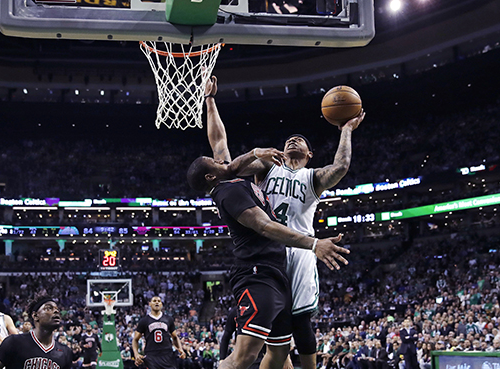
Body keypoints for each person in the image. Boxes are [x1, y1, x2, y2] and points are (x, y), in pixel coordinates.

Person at [204, 75, 364, 369]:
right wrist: (210, 101)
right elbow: (223, 157)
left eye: (300, 140)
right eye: (289, 139)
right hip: (268, 255)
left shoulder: (313, 177)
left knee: (294, 331)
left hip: (301, 253)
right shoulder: (266, 168)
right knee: (269, 344)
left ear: (310, 154)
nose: (293, 139)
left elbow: (341, 166)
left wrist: (346, 130)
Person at [186, 155, 349, 369]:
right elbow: (263, 226)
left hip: (275, 273)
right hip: (257, 274)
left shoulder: (231, 182)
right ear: (210, 176)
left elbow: (219, 139)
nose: (221, 160)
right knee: (244, 356)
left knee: (279, 354)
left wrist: (215, 120)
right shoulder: (229, 192)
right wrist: (314, 244)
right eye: (216, 163)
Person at [0, 296, 74, 369]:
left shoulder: (65, 352)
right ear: (35, 316)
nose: (56, 311)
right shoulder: (14, 342)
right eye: (49, 308)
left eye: (57, 309)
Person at [132, 296, 187, 369]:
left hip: (167, 354)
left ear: (161, 304)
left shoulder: (168, 319)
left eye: (159, 301)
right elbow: (135, 339)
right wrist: (136, 354)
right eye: (154, 301)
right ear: (150, 304)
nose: (157, 302)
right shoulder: (144, 321)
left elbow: (175, 337)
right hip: (152, 355)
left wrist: (180, 349)